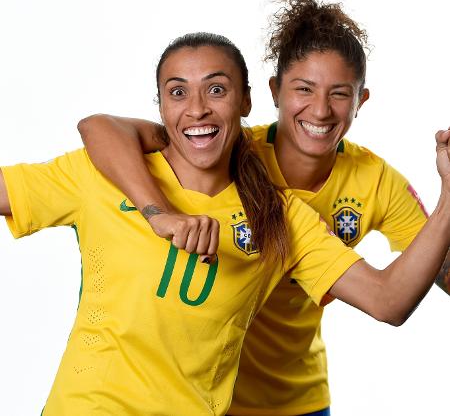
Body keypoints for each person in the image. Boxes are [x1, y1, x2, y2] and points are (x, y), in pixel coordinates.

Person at [1, 33, 449, 416]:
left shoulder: (282, 215)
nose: (196, 108)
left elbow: (389, 301)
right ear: (159, 105)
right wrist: (158, 214)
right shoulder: (105, 172)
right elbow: (94, 129)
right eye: (177, 92)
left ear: (247, 101)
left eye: (216, 90)